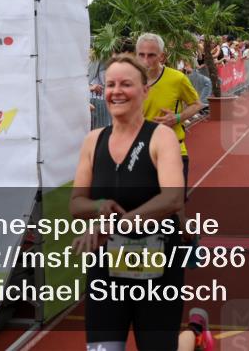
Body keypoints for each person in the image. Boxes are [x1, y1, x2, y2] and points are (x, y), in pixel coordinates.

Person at [70, 53, 185, 351]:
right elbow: (77, 203)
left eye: (126, 84)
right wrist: (98, 207)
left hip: (158, 267)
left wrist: (115, 224)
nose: (116, 91)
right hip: (106, 269)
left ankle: (193, 335)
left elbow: (173, 197)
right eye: (110, 84)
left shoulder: (161, 137)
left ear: (145, 90)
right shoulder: (93, 140)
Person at [135, 33, 205, 198]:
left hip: (173, 151)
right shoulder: (129, 81)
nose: (145, 60)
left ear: (162, 56)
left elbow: (197, 104)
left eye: (151, 55)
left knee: (174, 203)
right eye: (141, 55)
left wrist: (177, 118)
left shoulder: (177, 79)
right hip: (139, 154)